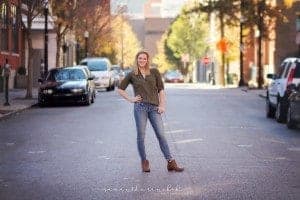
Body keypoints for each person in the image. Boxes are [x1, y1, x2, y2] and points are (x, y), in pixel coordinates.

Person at [117, 50, 184, 173]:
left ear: (147, 60)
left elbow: (161, 90)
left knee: (161, 135)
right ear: (136, 60)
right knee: (141, 136)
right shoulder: (132, 74)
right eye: (140, 58)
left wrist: (162, 105)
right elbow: (120, 89)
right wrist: (131, 99)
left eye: (144, 58)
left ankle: (170, 162)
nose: (142, 60)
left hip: (154, 108)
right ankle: (144, 161)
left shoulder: (154, 72)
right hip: (140, 107)